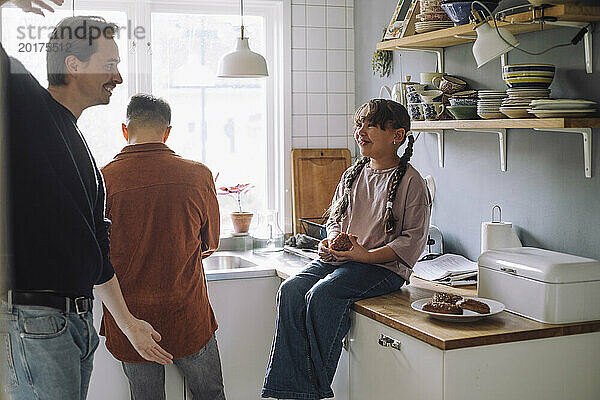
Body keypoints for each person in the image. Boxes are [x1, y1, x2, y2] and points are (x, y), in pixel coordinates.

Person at [0, 5, 173, 400]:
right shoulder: (28, 109)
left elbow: (95, 250)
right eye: (109, 63)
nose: (119, 77)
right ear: (74, 65)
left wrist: (128, 323)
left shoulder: (80, 145)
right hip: (34, 319)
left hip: (74, 321)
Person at [262, 99, 431, 400]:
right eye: (358, 124)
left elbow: (412, 240)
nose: (360, 131)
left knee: (322, 294)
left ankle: (310, 391)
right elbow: (335, 221)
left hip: (381, 269)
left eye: (370, 125)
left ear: (398, 136)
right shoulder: (352, 174)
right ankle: (288, 390)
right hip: (343, 262)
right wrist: (332, 242)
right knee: (290, 290)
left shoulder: (411, 182)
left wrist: (365, 256)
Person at [100, 94, 225, 400]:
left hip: (130, 320)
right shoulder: (198, 175)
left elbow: (95, 253)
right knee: (210, 395)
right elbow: (211, 243)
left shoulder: (102, 180)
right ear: (167, 132)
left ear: (124, 130)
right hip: (187, 316)